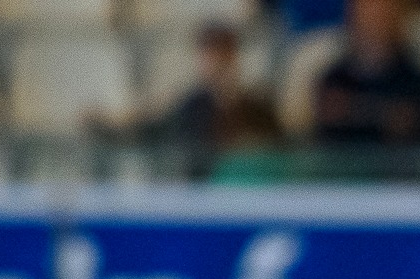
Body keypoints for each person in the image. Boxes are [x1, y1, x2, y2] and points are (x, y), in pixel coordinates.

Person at [91, 24, 279, 180]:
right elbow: (149, 131)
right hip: (196, 193)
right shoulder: (190, 106)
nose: (215, 63)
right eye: (208, 54)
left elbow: (271, 152)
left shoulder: (257, 108)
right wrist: (107, 124)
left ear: (234, 57)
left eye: (222, 54)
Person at [312, 0, 420, 147]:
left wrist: (351, 110)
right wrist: (385, 113)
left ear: (397, 17)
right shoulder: (333, 80)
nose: (372, 19)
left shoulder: (419, 85)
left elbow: (416, 131)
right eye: (365, 11)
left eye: (381, 12)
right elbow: (327, 132)